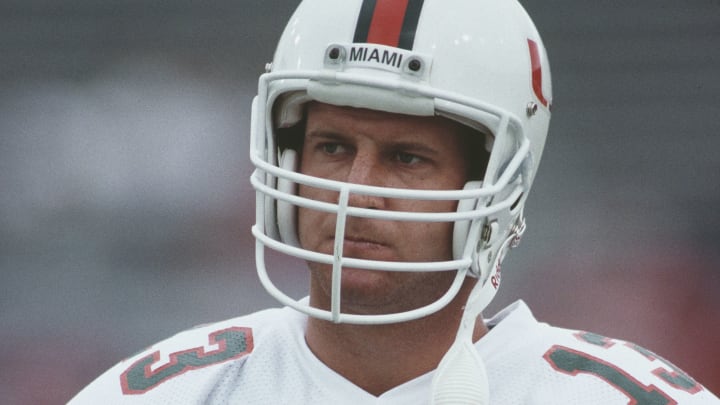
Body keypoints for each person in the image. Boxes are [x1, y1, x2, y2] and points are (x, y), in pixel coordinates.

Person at [70, 0, 719, 403]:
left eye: (407, 157)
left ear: (496, 183)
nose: (356, 185)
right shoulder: (167, 393)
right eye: (329, 146)